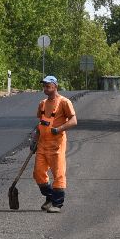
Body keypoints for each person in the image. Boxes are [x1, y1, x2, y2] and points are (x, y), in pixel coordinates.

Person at [35, 75, 78, 212]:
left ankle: (57, 204)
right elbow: (40, 123)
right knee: (38, 173)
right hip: (42, 144)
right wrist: (34, 140)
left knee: (58, 173)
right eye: (44, 86)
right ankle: (50, 197)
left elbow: (73, 121)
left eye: (48, 86)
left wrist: (58, 129)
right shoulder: (42, 103)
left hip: (56, 144)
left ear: (55, 86)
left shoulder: (64, 102)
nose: (45, 89)